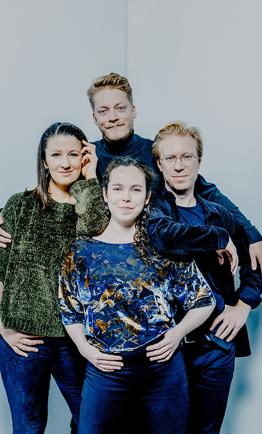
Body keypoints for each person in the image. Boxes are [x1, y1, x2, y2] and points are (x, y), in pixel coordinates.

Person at [0, 72, 262, 278]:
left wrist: (252, 234)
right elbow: (50, 190)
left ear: (133, 110)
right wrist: (1, 214)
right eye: (103, 111)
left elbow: (207, 193)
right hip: (100, 266)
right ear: (94, 119)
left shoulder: (157, 154)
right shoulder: (87, 158)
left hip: (157, 263)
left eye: (120, 108)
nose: (112, 116)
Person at [58, 157, 215, 434]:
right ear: (105, 195)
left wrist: (177, 334)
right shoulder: (81, 251)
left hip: (162, 370)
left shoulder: (164, 248)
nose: (126, 197)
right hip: (106, 370)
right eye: (118, 189)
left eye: (135, 189)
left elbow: (204, 300)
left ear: (147, 197)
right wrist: (85, 349)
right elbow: (69, 309)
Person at [0, 122, 108, 434]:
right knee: (28, 426)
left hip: (75, 336)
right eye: (56, 154)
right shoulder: (20, 204)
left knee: (92, 422)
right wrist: (1, 324)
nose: (65, 162)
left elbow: (95, 229)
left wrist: (91, 178)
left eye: (74, 154)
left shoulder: (92, 207)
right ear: (44, 161)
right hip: (23, 337)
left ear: (84, 157)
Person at [146, 122, 262, 434]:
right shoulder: (153, 211)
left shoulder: (220, 214)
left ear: (199, 161)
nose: (179, 165)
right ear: (159, 164)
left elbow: (253, 266)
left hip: (215, 346)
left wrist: (244, 306)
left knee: (207, 430)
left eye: (187, 156)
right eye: (170, 158)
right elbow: (162, 237)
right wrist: (216, 239)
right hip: (167, 343)